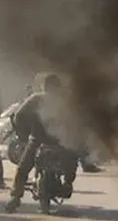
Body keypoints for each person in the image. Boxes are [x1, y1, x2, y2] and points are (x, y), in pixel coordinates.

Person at [6, 73, 77, 213]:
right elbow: (75, 120)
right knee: (72, 158)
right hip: (60, 141)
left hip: (37, 140)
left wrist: (23, 134)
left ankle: (15, 198)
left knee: (23, 169)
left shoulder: (36, 98)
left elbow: (19, 116)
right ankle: (68, 183)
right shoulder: (65, 101)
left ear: (44, 86)